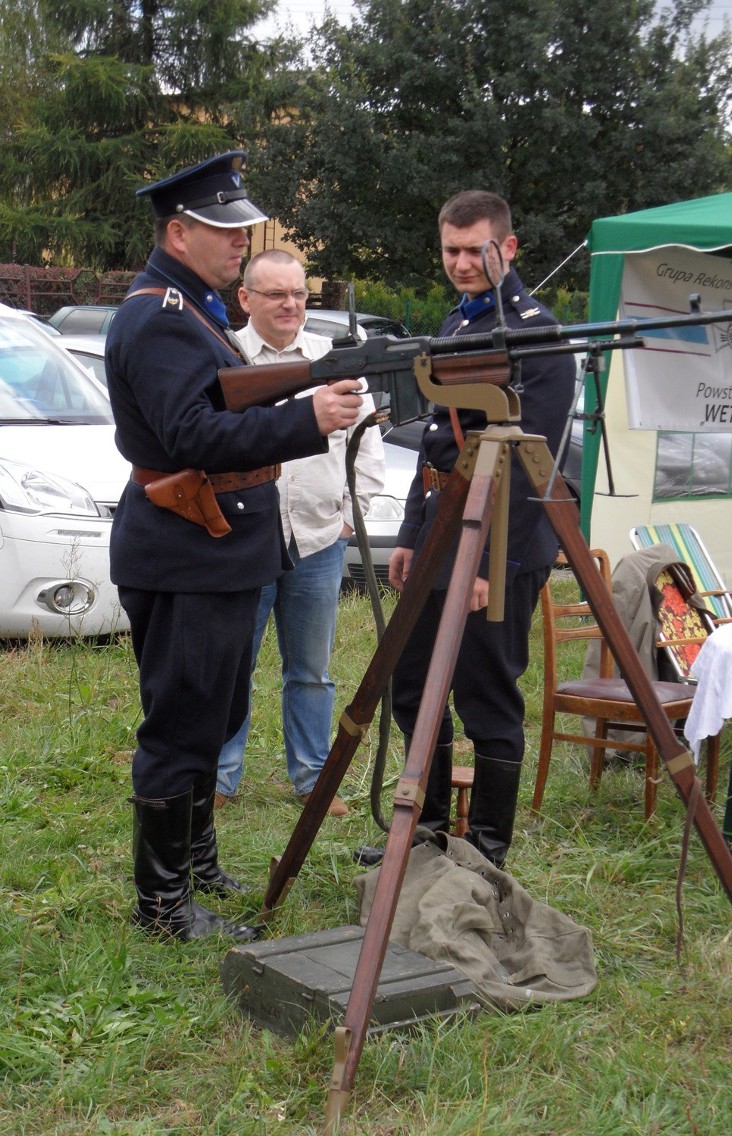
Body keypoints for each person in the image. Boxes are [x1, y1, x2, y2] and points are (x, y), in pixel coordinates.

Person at [105, 152, 363, 941]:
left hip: (211, 551)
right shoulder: (160, 318)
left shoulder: (196, 310)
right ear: (178, 232)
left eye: (242, 229)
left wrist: (311, 375)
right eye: (224, 231)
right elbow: (192, 433)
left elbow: (222, 395)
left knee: (213, 715)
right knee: (179, 728)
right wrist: (307, 418)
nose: (239, 244)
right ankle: (163, 907)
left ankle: (196, 865)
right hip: (185, 553)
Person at [387, 190, 576, 868]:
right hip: (443, 528)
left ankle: (487, 850)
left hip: (501, 542)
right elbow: (439, 448)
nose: (463, 263)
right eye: (452, 251)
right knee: (411, 683)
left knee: (487, 691)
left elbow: (529, 471)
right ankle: (427, 831)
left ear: (508, 248)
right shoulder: (458, 323)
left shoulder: (539, 336)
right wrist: (411, 533)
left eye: (476, 250)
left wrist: (486, 567)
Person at [215, 250, 385, 816]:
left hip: (317, 542)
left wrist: (345, 518)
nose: (291, 305)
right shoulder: (226, 356)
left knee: (311, 671)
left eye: (299, 294)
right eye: (276, 294)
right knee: (232, 665)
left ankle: (313, 779)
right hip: (242, 542)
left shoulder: (336, 363)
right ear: (246, 298)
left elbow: (367, 453)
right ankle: (219, 778)